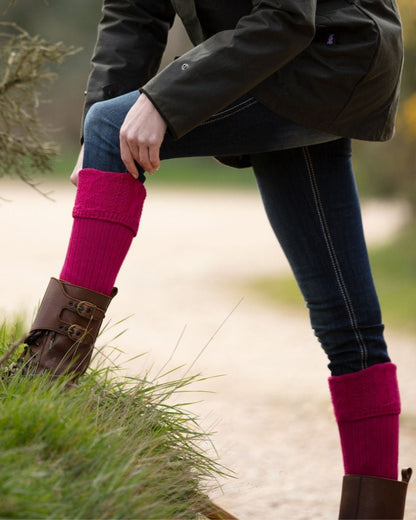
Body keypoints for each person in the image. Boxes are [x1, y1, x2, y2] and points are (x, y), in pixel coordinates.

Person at [15, 0, 411, 518]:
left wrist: (159, 103)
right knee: (348, 322)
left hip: (325, 54)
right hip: (285, 56)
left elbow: (286, 15)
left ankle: (51, 373)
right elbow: (135, 14)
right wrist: (98, 141)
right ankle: (373, 511)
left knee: (114, 126)